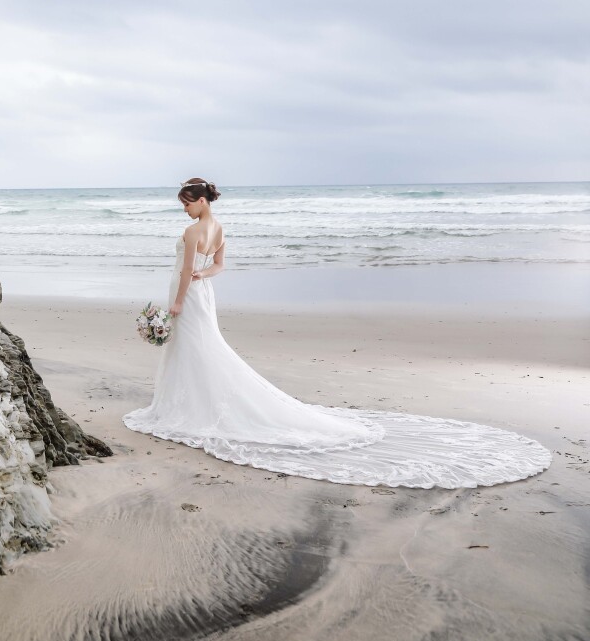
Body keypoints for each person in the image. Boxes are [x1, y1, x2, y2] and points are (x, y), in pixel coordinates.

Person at [122, 178, 552, 488]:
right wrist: (202, 277)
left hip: (191, 297)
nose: (185, 210)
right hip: (207, 294)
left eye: (186, 203)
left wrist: (179, 299)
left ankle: (190, 406)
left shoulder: (195, 230)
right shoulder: (218, 229)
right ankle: (192, 402)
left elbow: (184, 271)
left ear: (200, 201)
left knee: (198, 350)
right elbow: (219, 268)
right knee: (202, 349)